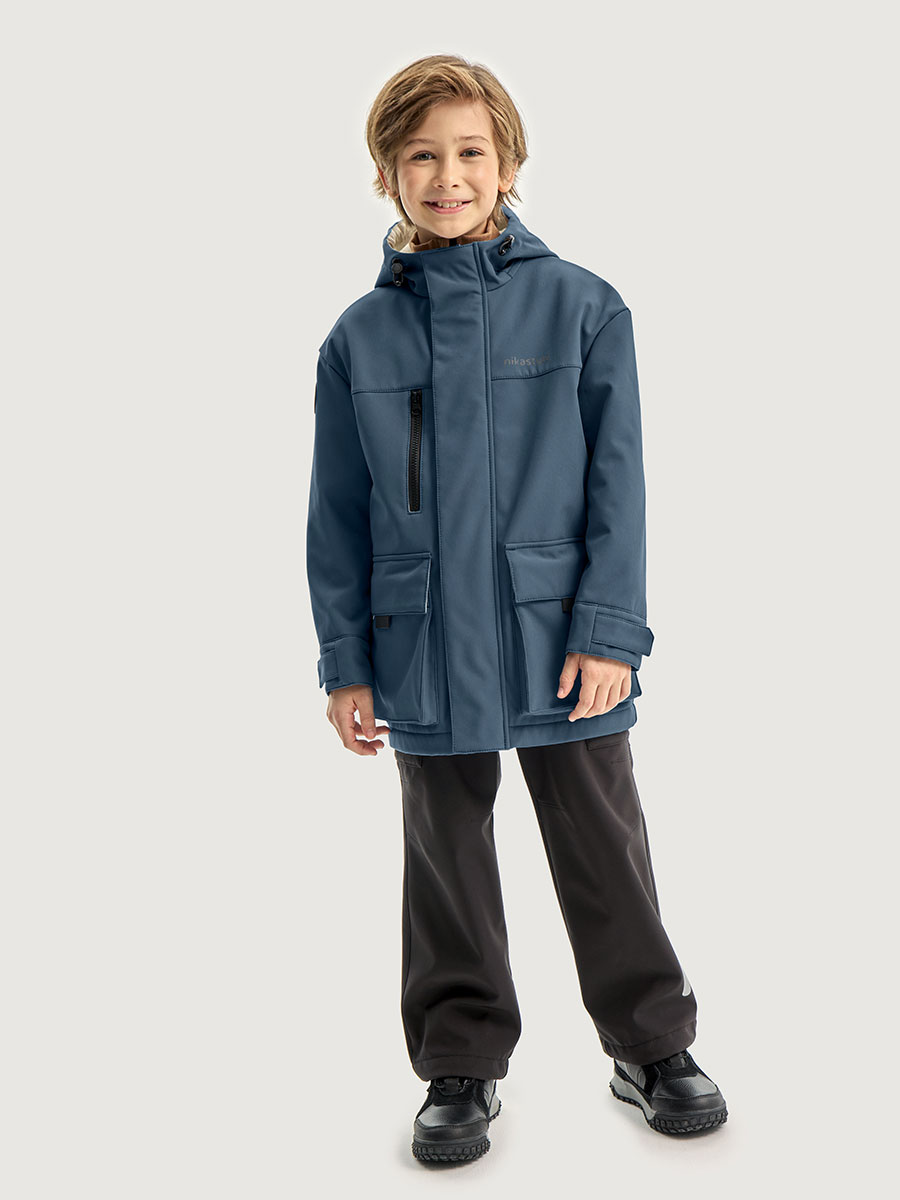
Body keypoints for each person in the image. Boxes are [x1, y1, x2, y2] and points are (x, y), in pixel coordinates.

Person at [306, 54, 728, 1162]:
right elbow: (335, 514)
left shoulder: (584, 307)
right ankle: (460, 1062)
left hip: (559, 638)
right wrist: (346, 661)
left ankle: (652, 1045)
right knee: (443, 855)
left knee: (602, 844)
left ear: (509, 164)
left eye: (470, 153)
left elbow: (620, 488)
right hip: (420, 639)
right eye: (421, 156)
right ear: (387, 175)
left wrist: (610, 631)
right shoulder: (358, 338)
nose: (448, 176)